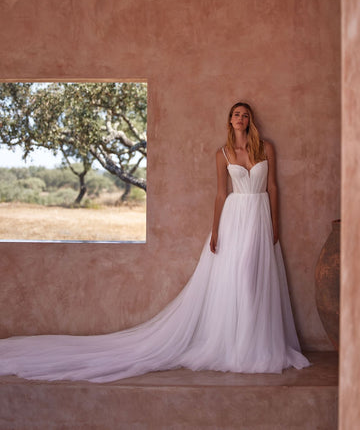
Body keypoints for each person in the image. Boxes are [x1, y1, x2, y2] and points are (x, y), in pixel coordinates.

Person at [0, 102, 310, 382]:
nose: (240, 118)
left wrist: (275, 224)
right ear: (229, 120)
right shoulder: (223, 153)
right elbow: (220, 194)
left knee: (257, 279)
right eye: (236, 114)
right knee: (238, 279)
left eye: (245, 115)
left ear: (250, 120)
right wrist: (215, 232)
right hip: (233, 218)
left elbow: (273, 187)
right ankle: (237, 346)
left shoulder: (265, 148)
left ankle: (255, 346)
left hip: (258, 215)